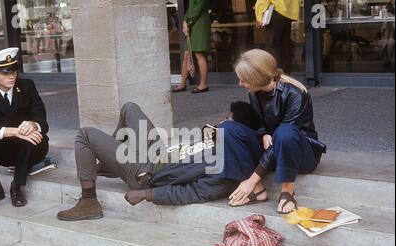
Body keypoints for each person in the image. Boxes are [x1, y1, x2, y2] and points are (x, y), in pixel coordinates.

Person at [56, 101, 264, 221]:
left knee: (84, 135)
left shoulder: (226, 172)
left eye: (227, 121)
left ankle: (89, 201)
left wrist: (148, 194)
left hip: (146, 174)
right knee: (130, 108)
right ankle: (111, 162)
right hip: (158, 154)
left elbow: (194, 192)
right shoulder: (226, 144)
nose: (221, 122)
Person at [227, 49, 326, 214]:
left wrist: (252, 179)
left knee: (285, 132)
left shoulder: (295, 93)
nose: (240, 84)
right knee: (228, 128)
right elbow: (259, 122)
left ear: (257, 79)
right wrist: (264, 133)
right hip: (272, 146)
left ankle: (287, 190)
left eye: (244, 79)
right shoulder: (255, 91)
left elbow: (284, 135)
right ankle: (258, 189)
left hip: (300, 153)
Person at [0, 47, 49, 209]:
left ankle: (16, 187)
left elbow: (42, 120)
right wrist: (15, 131)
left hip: (32, 147)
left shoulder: (27, 86)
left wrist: (33, 124)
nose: (12, 76)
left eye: (14, 71)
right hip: (5, 150)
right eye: (5, 73)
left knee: (30, 136)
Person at [173, 0, 211, 94]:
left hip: (200, 23)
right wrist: (186, 20)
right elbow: (191, 8)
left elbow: (198, 7)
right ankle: (182, 84)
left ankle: (203, 85)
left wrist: (188, 20)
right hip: (193, 22)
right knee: (186, 54)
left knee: (199, 54)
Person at [255, 0, 300, 73]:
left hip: (276, 10)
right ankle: (285, 73)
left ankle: (273, 73)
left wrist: (259, 16)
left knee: (272, 45)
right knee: (285, 44)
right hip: (288, 13)